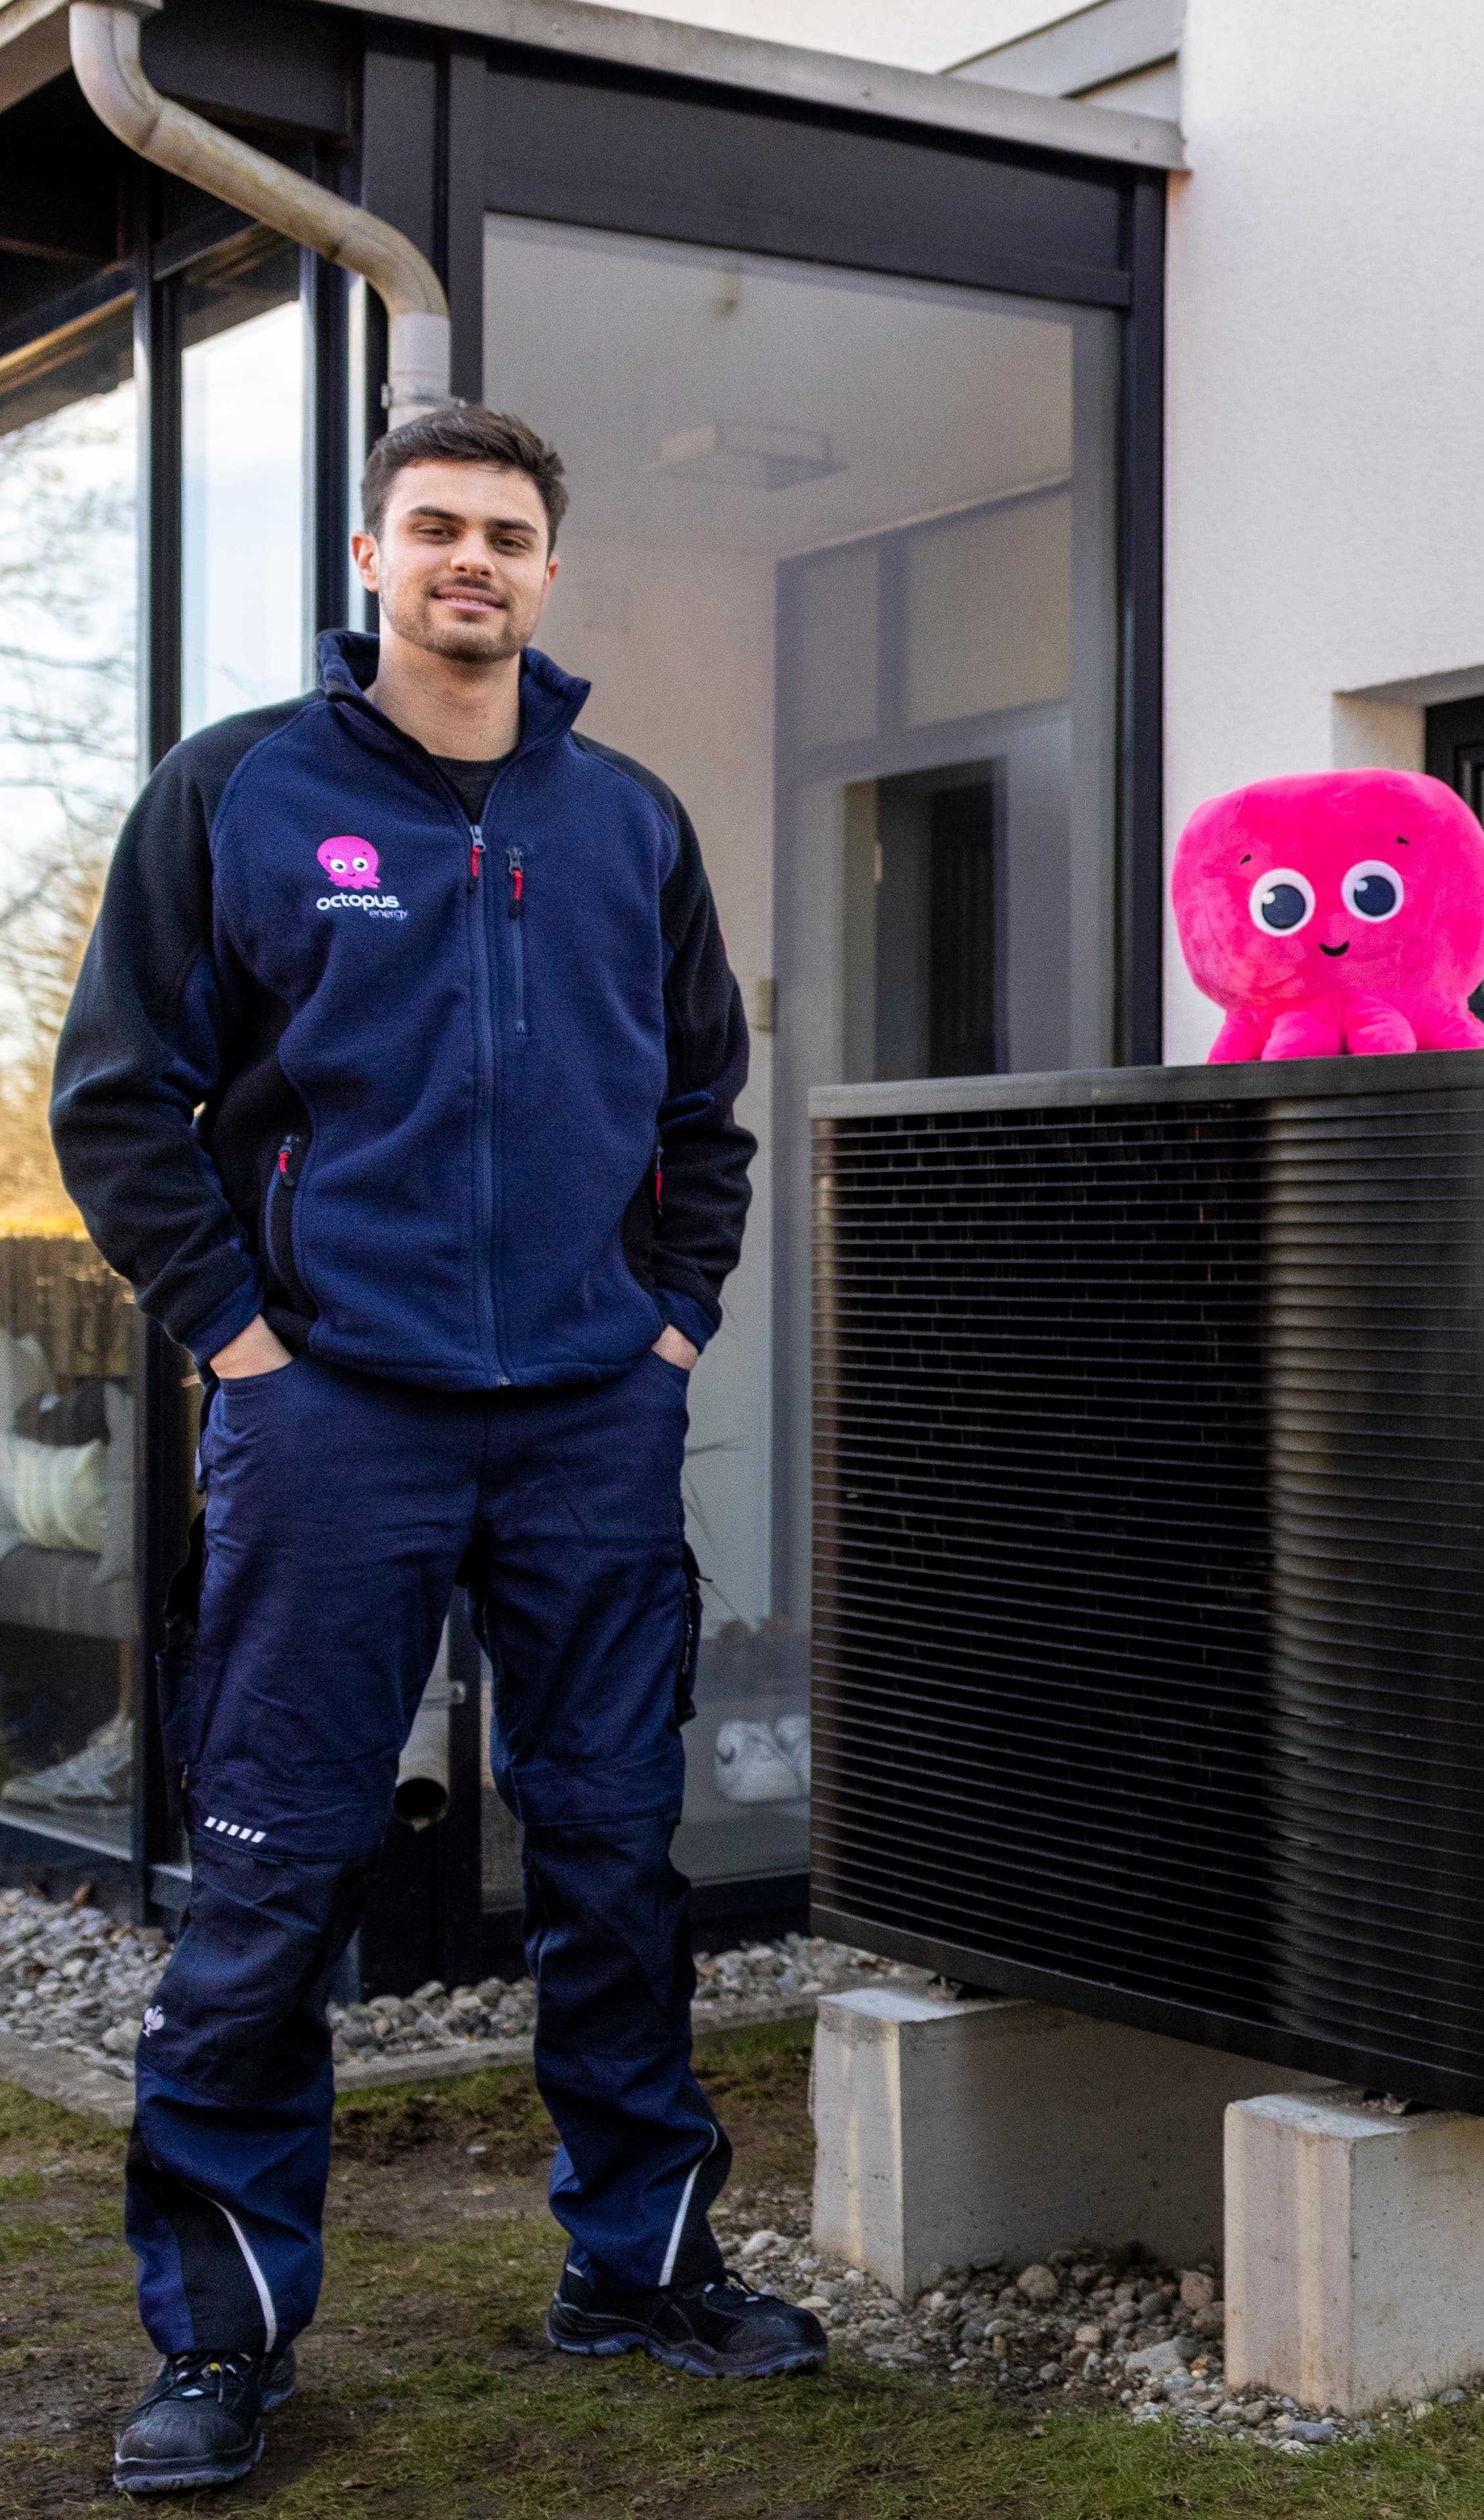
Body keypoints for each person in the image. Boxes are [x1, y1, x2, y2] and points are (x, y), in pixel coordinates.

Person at [53, 408, 824, 2498]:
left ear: (549, 571)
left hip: (587, 1418)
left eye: (506, 533)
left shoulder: (626, 822)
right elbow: (118, 1101)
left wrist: (666, 1330)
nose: (471, 560)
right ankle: (223, 2338)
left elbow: (706, 1115)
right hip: (333, 1423)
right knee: (273, 1871)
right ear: (373, 559)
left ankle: (639, 2270)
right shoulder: (240, 793)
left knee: (614, 1860)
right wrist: (246, 1347)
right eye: (436, 529)